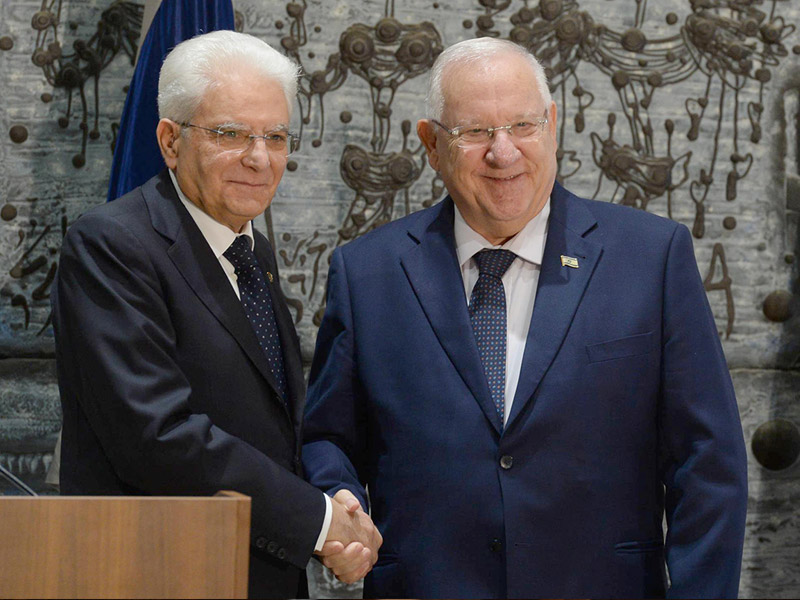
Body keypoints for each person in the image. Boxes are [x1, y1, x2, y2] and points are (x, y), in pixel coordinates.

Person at [302, 37, 748, 598]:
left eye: (522, 125)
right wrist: (339, 498)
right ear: (431, 144)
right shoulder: (367, 273)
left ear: (553, 124)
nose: (503, 151)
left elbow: (708, 464)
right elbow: (327, 436)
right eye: (474, 132)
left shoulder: (651, 258)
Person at [51, 30, 380, 599]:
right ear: (170, 141)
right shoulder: (112, 246)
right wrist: (321, 522)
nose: (259, 158)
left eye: (275, 137)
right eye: (230, 134)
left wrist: (336, 495)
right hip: (156, 575)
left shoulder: (250, 253)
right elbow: (157, 437)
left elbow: (272, 426)